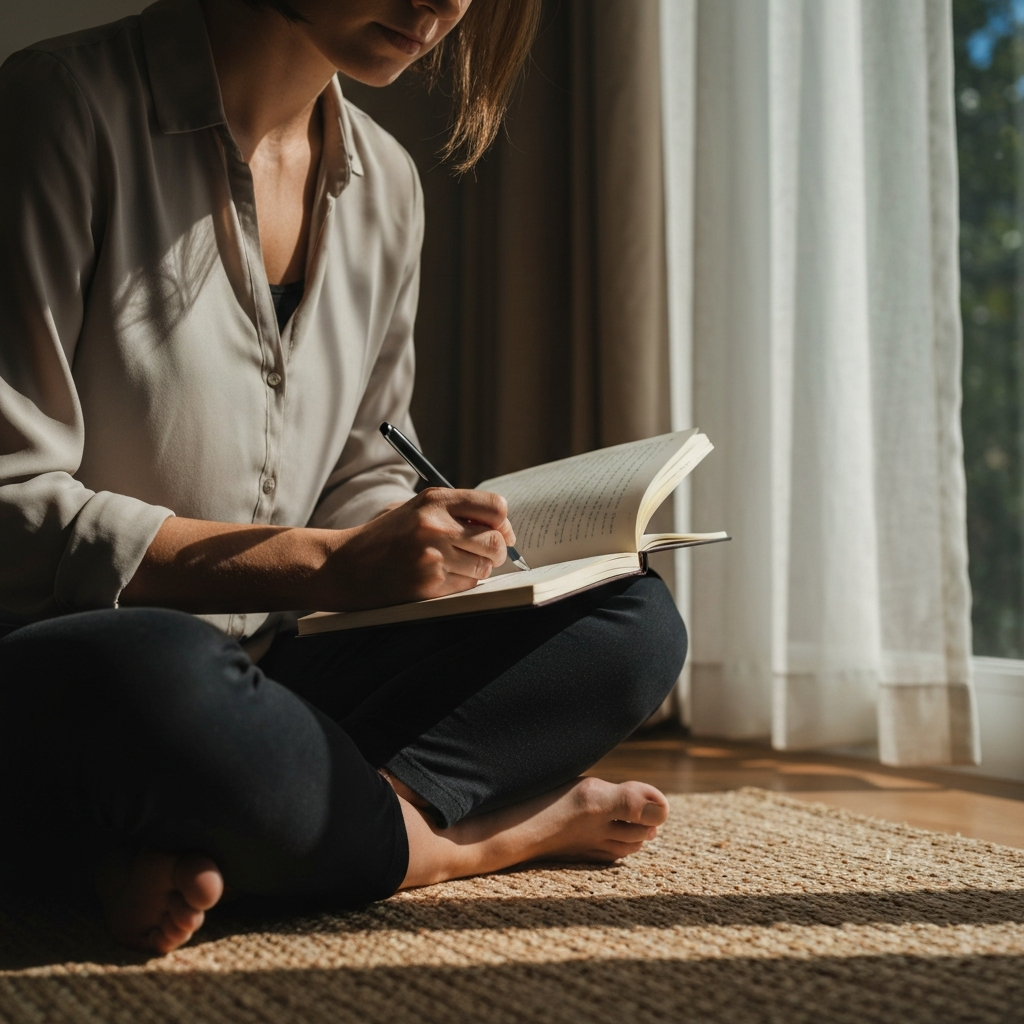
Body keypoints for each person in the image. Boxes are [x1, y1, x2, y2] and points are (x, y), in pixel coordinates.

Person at [0, 0, 687, 955]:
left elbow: (365, 459)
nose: (444, 5)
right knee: (154, 677)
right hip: (78, 665)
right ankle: (467, 843)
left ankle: (206, 829)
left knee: (628, 618)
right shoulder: (56, 110)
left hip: (273, 678)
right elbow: (11, 507)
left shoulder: (386, 183)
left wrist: (438, 545)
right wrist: (325, 565)